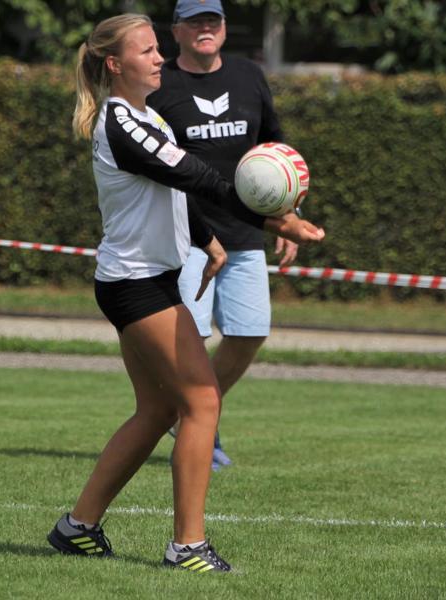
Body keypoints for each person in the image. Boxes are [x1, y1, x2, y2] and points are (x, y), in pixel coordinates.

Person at [46, 14, 323, 573]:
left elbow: (173, 191)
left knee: (157, 410)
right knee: (201, 403)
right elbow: (196, 176)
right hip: (136, 285)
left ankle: (77, 527)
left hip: (140, 281)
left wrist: (208, 240)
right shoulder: (122, 123)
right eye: (146, 52)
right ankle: (187, 546)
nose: (156, 59)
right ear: (114, 65)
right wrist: (275, 221)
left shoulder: (143, 116)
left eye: (155, 49)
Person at [148, 0, 294, 471]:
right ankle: (200, 424)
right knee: (188, 340)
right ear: (176, 31)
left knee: (251, 333)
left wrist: (288, 212)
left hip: (246, 232)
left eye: (212, 20)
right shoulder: (160, 84)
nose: (204, 28)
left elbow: (276, 149)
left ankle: (190, 412)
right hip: (186, 236)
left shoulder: (249, 76)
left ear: (225, 29)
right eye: (194, 21)